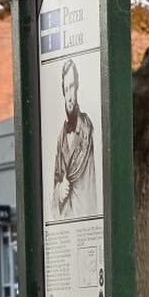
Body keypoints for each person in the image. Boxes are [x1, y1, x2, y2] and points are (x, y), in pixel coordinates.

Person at [51, 57, 98, 220]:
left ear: (77, 88)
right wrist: (59, 190)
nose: (70, 96)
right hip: (65, 219)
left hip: (84, 215)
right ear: (63, 92)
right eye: (66, 88)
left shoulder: (86, 128)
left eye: (72, 87)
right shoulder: (61, 137)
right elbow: (55, 183)